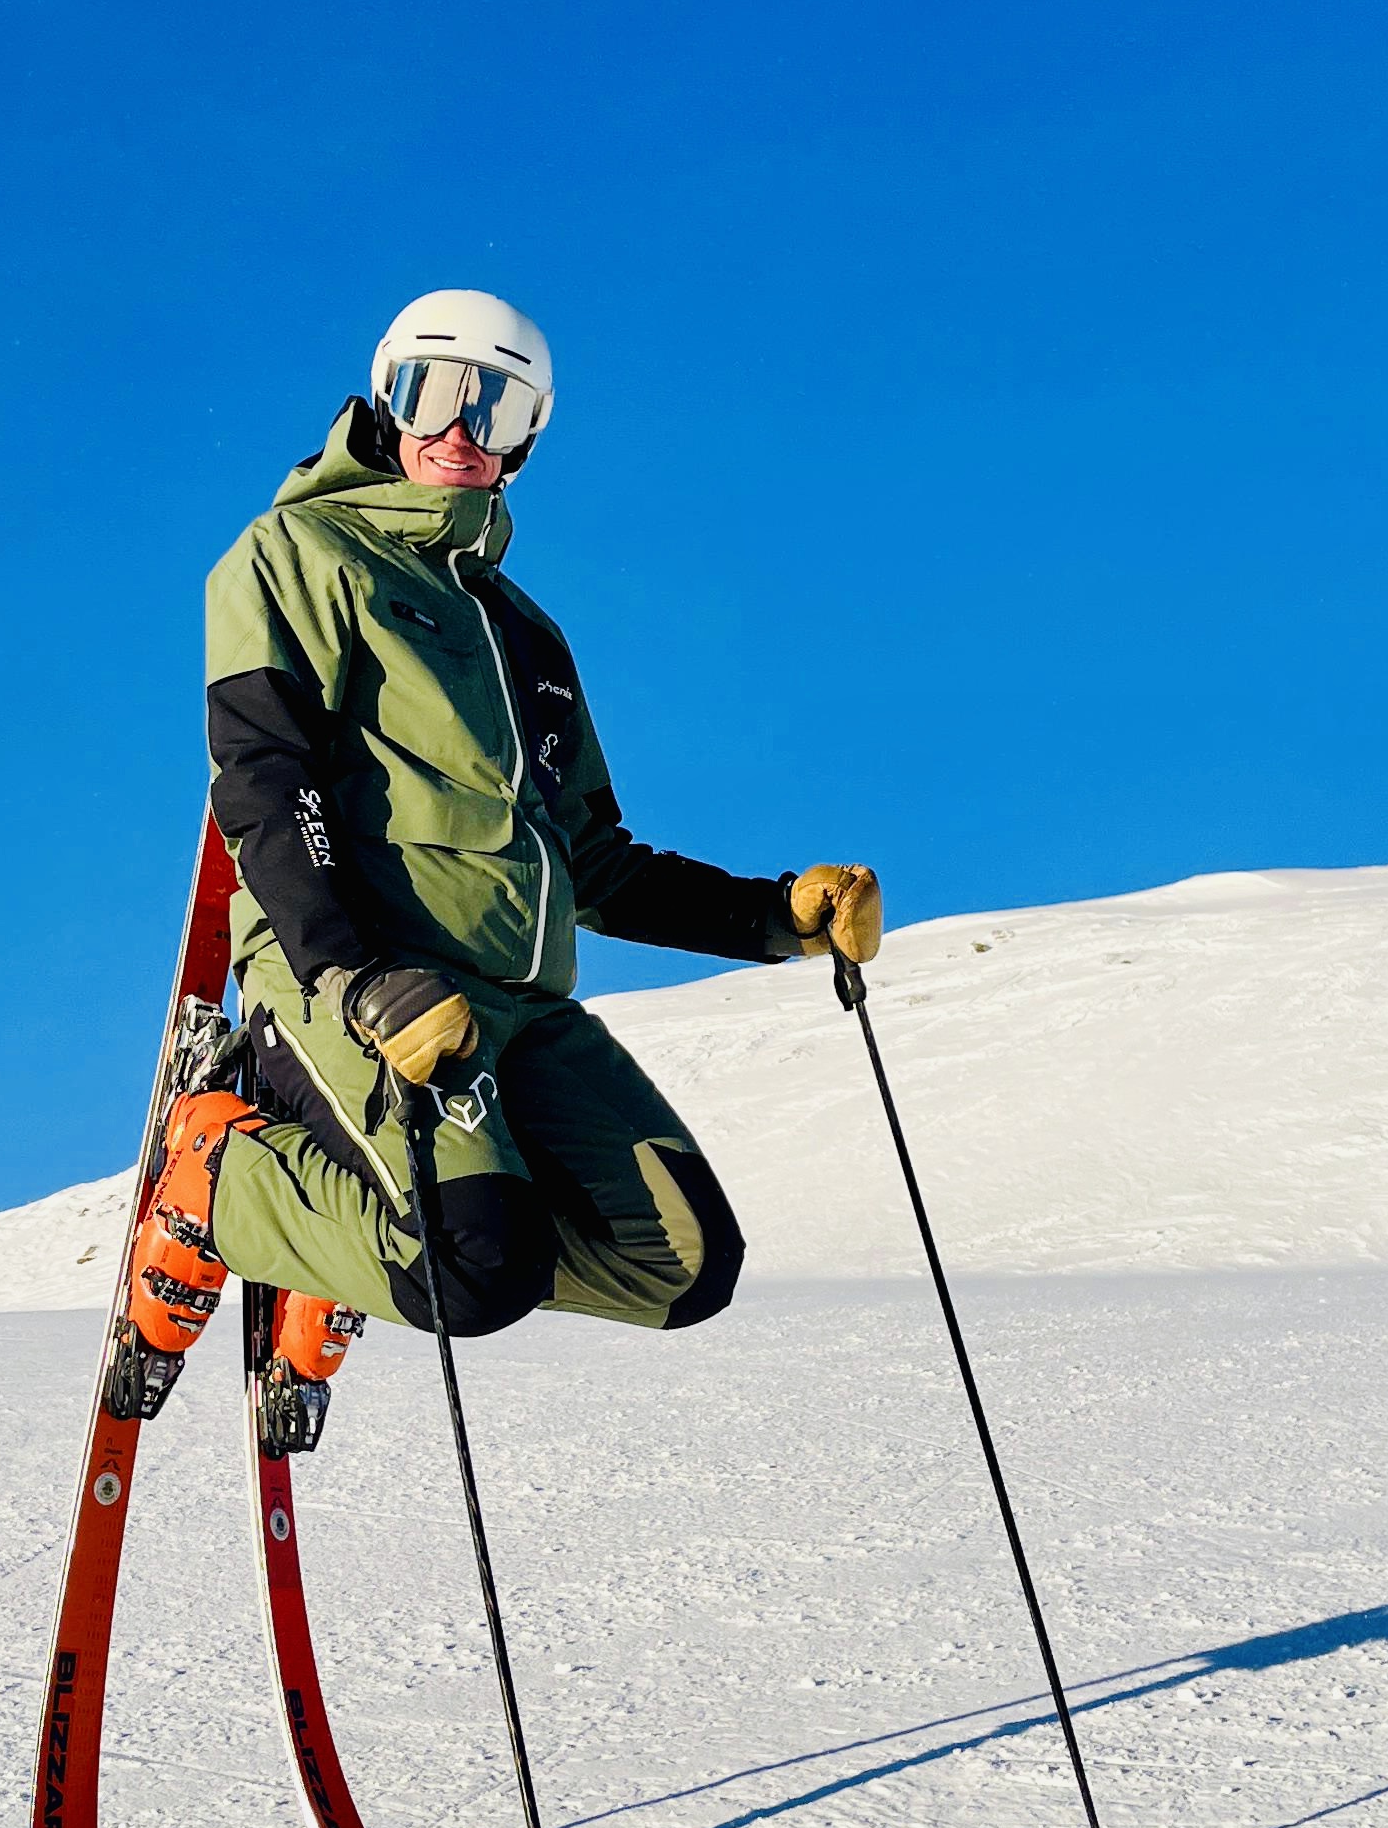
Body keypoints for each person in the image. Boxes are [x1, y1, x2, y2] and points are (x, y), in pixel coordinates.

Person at [115, 287, 880, 1441]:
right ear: (387, 394)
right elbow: (265, 787)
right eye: (433, 389)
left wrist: (777, 917)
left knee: (683, 1264)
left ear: (529, 435)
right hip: (372, 988)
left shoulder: (530, 638)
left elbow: (597, 863)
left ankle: (362, 1226)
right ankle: (216, 1178)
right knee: (477, 1270)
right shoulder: (302, 554)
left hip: (521, 1016)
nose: (459, 426)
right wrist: (356, 977)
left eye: (497, 402)